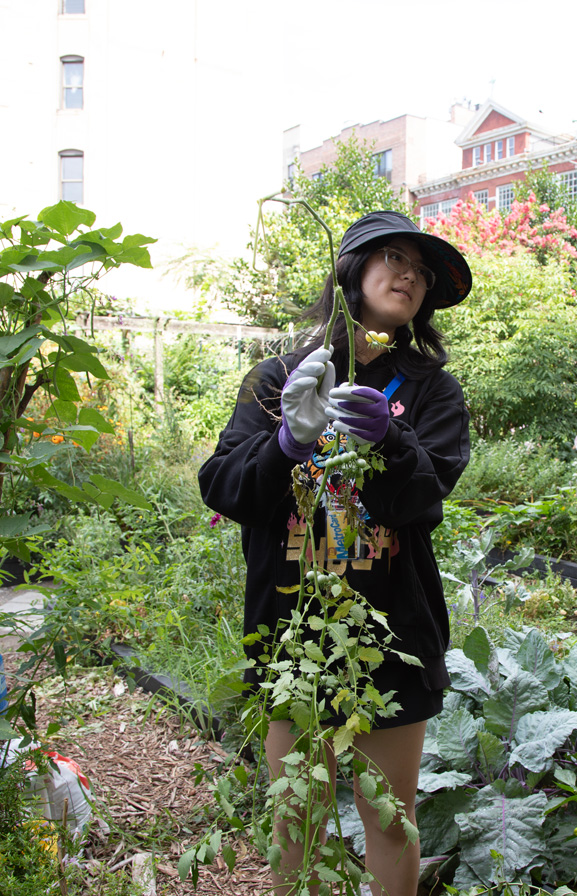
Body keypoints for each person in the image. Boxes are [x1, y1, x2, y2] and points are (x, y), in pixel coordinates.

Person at [197, 210, 472, 896]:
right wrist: (286, 443)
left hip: (391, 633)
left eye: (420, 269)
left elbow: (427, 499)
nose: (409, 275)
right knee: (297, 819)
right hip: (294, 633)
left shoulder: (431, 389)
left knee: (389, 819)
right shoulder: (280, 377)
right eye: (393, 260)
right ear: (351, 270)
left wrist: (391, 440)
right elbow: (224, 485)